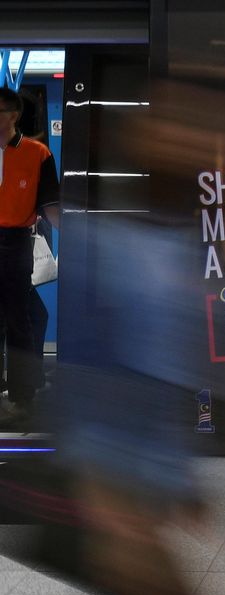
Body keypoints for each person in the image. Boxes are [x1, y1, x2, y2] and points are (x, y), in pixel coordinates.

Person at [0, 86, 59, 428]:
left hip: (15, 242)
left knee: (18, 321)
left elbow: (50, 206)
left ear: (13, 115)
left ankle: (22, 399)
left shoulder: (37, 154)